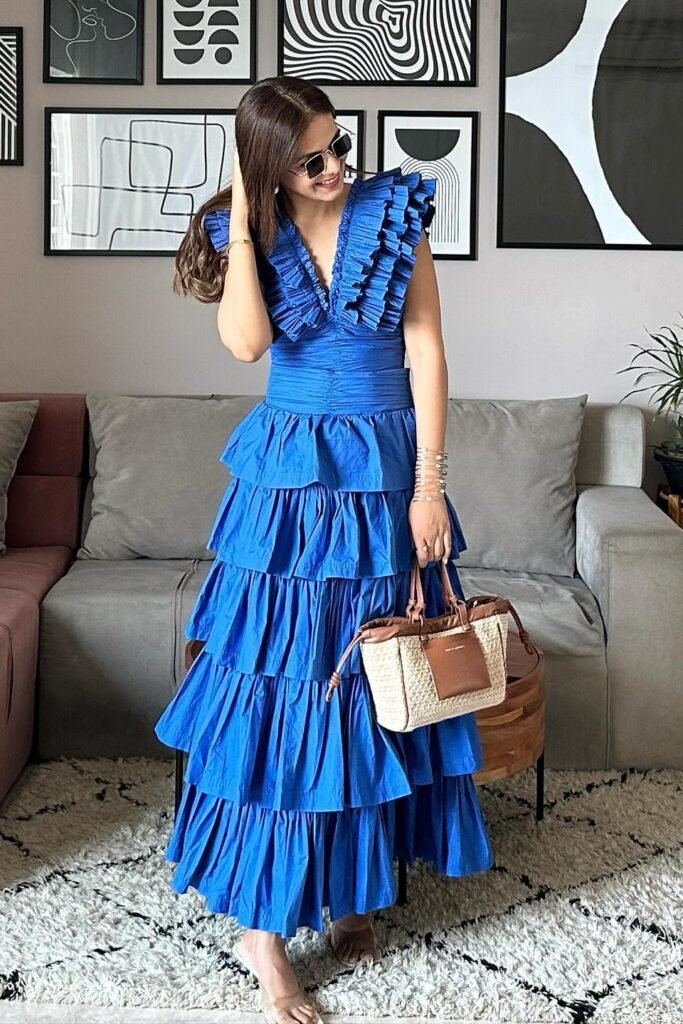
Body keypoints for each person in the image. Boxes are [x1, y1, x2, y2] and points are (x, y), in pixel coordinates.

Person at [154, 75, 494, 1024]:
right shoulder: (244, 226)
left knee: (382, 681)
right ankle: (261, 936)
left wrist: (429, 487)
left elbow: (427, 353)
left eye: (341, 147)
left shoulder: (391, 213)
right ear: (268, 164)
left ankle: (348, 887)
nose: (338, 168)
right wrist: (242, 199)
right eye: (311, 159)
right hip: (292, 489)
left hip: (387, 474)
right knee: (290, 690)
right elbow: (243, 344)